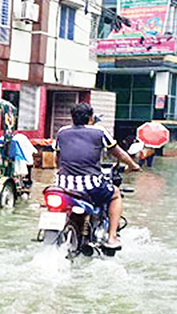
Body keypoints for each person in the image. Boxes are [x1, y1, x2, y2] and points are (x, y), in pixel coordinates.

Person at [54, 103, 140, 248]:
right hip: (91, 186)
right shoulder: (99, 132)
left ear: (72, 118)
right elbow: (118, 152)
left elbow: (58, 158)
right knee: (116, 194)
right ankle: (112, 237)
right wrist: (133, 165)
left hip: (62, 186)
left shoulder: (62, 132)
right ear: (91, 118)